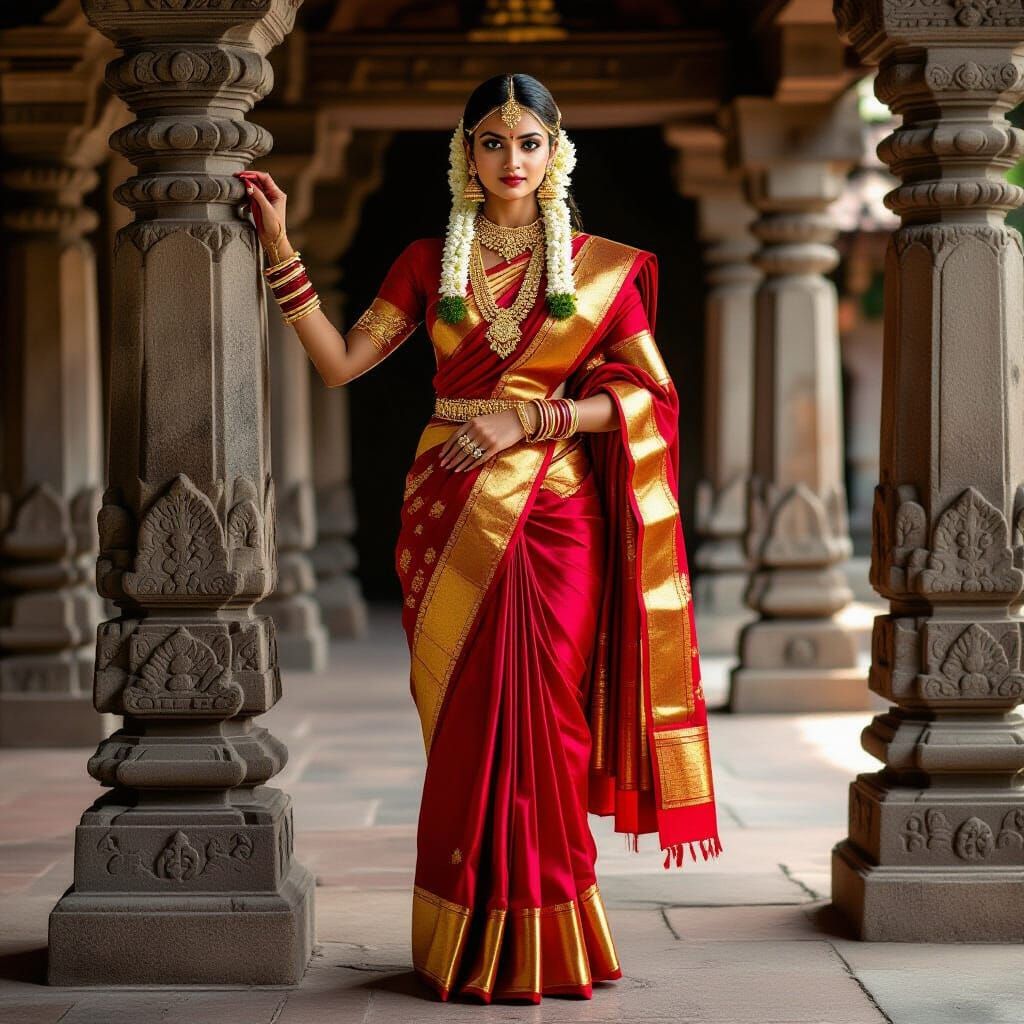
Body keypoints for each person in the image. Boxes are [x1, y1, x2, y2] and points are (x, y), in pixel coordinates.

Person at [236, 72, 722, 1005]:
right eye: (492, 142)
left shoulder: (599, 269)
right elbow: (340, 365)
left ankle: (554, 940)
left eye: (529, 142)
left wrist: (531, 419)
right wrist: (282, 249)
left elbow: (648, 400)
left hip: (559, 516)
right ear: (467, 154)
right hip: (449, 507)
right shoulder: (428, 262)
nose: (512, 160)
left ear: (555, 154)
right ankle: (462, 940)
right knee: (468, 725)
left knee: (552, 723)